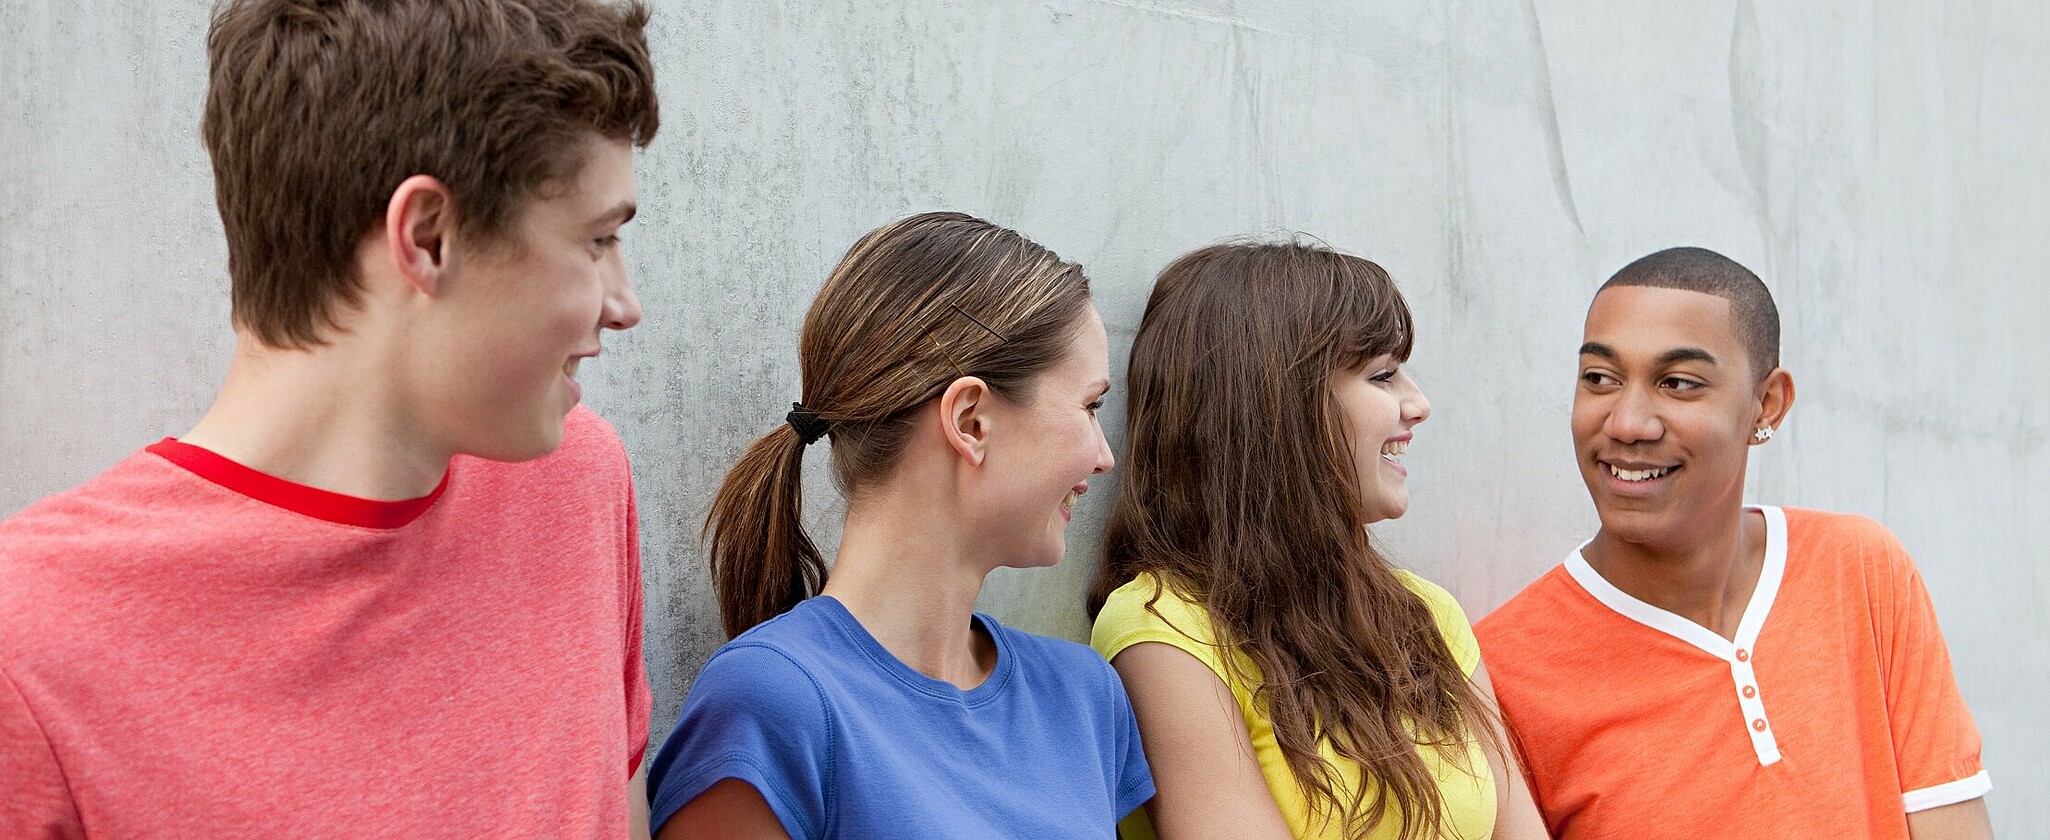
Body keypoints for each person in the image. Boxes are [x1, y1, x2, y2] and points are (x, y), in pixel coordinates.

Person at [0, 1, 659, 836]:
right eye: (598, 241)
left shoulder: (576, 487)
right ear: (427, 237)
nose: (624, 303)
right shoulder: (33, 649)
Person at [645, 211, 1154, 839]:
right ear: (971, 421)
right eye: (1089, 405)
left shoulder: (1084, 700)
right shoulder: (772, 706)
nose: (1105, 457)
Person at [1475, 247, 1992, 839]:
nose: (1627, 422)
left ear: (1765, 405)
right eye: (1600, 379)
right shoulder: (1500, 673)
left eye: (1678, 384)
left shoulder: (1862, 570)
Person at [1087, 241, 1549, 840]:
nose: (1419, 405)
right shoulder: (1164, 631)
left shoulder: (1426, 615)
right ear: (1277, 408)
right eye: (1383, 376)